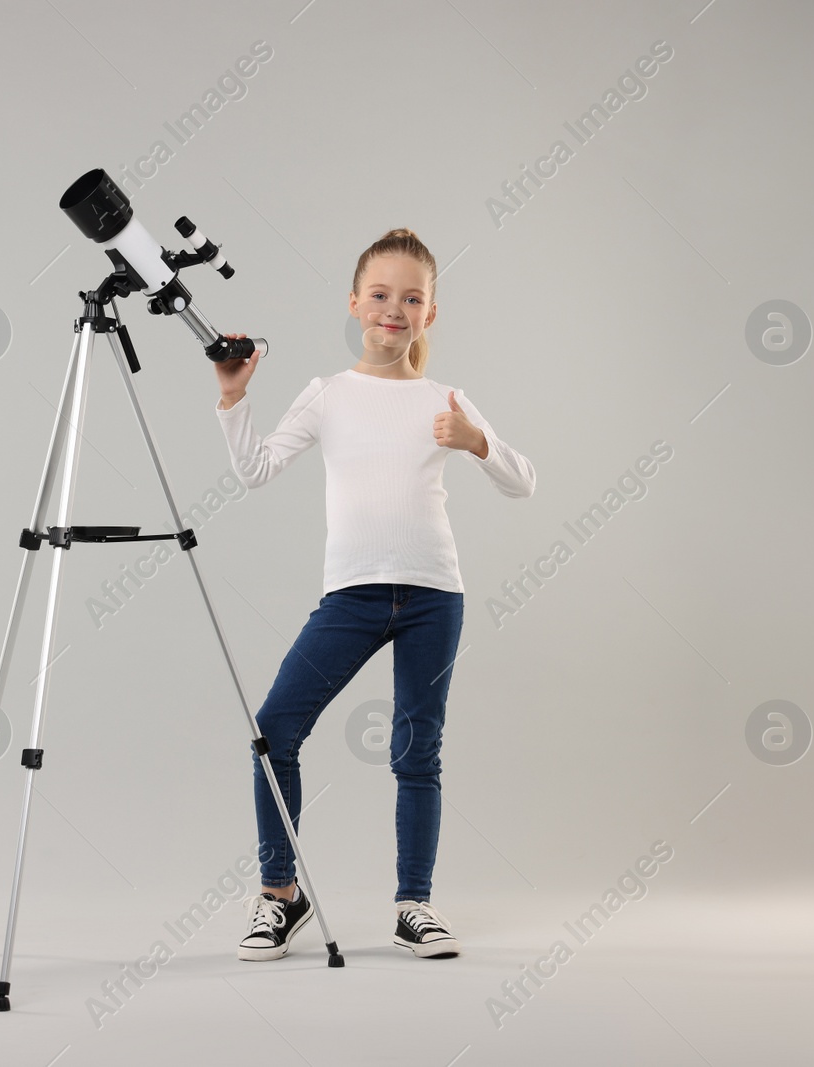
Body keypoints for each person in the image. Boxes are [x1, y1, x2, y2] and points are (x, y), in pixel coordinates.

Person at [214, 228, 536, 961]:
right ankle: (279, 894)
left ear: (430, 314)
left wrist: (475, 441)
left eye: (413, 298)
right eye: (382, 295)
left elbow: (524, 480)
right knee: (274, 731)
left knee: (417, 750)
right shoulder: (328, 395)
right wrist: (234, 398)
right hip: (352, 598)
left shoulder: (446, 399)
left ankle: (413, 905)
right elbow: (256, 470)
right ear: (356, 302)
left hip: (433, 595)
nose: (396, 309)